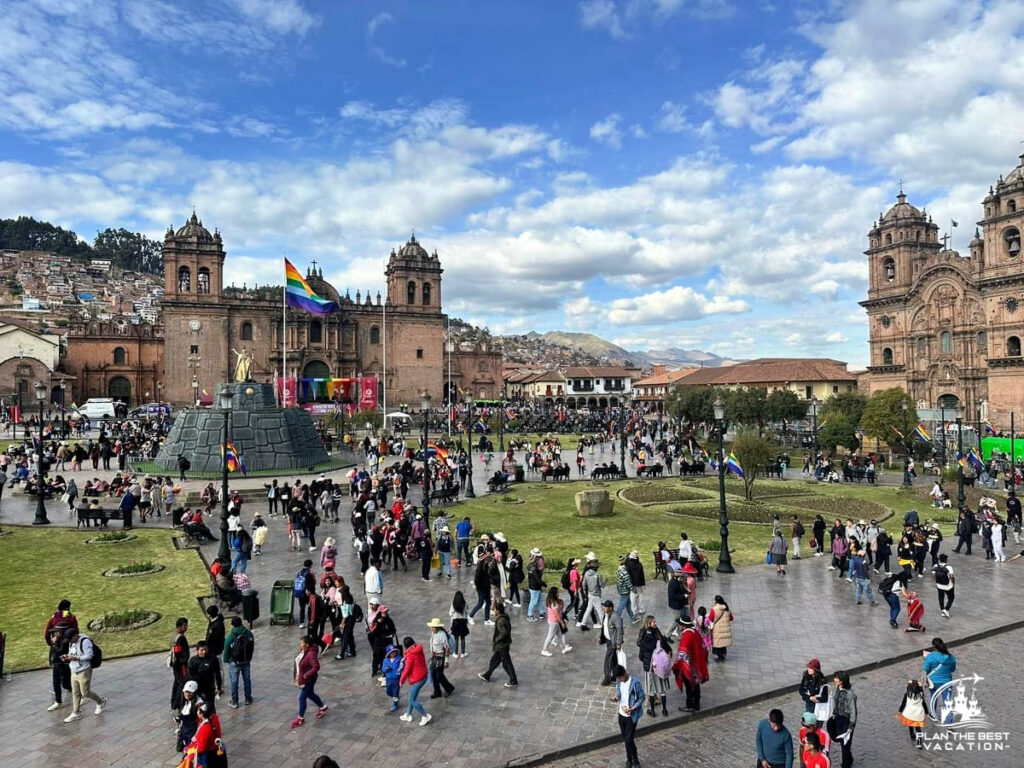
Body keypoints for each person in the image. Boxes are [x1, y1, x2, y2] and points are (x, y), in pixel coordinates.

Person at [60, 626, 106, 723]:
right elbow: (71, 653)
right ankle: (76, 713)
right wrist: (67, 657)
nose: (69, 642)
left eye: (70, 639)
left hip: (84, 670)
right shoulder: (70, 642)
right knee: (75, 692)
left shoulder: (85, 642)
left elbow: (89, 655)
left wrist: (75, 658)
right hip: (73, 670)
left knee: (85, 693)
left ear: (75, 636)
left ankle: (101, 702)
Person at [636, 615, 671, 717]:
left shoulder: (652, 632)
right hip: (657, 664)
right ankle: (664, 710)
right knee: (661, 689)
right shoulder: (649, 632)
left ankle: (653, 711)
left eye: (655, 622)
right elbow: (662, 642)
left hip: (651, 665)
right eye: (653, 622)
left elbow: (641, 646)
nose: (655, 623)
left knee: (651, 689)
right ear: (649, 623)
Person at [672, 616, 708, 712]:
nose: (678, 626)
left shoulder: (686, 636)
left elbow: (683, 654)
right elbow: (704, 647)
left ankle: (690, 705)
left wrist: (676, 666)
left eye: (679, 624)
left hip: (689, 666)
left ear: (683, 626)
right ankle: (696, 704)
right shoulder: (695, 632)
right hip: (697, 665)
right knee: (696, 685)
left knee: (689, 686)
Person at [477, 601, 517, 687]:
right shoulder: (503, 618)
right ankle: (487, 675)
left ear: (498, 611)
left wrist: (497, 639)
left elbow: (504, 632)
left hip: (502, 645)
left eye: (494, 609)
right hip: (502, 645)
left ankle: (513, 680)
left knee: (506, 663)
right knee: (494, 660)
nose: (493, 611)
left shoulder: (500, 621)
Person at [291, 634, 328, 728]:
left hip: (309, 679)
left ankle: (300, 718)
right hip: (304, 678)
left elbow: (316, 666)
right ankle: (323, 707)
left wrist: (306, 674)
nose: (300, 645)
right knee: (310, 694)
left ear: (307, 644)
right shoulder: (305, 650)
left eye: (302, 643)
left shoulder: (311, 654)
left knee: (302, 697)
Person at [612, 664, 644, 768]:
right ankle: (629, 761)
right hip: (621, 714)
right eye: (618, 678)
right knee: (626, 738)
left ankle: (635, 761)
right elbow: (619, 692)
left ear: (624, 673)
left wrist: (633, 707)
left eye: (620, 678)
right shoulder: (619, 682)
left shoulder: (635, 683)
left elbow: (641, 697)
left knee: (629, 739)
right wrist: (617, 697)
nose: (620, 680)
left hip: (631, 715)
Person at [223, 616, 254, 708]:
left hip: (234, 662)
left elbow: (227, 650)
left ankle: (235, 701)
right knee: (247, 680)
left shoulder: (230, 636)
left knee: (234, 682)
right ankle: (248, 698)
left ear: (232, 625)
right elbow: (251, 646)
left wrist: (226, 660)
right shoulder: (248, 633)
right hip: (246, 660)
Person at [399, 635, 431, 725]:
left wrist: (401, 681)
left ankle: (425, 716)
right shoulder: (417, 649)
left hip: (417, 679)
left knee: (413, 700)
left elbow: (407, 670)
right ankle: (408, 714)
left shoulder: (411, 655)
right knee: (412, 697)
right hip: (423, 675)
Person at [922, 638, 957, 720]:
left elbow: (926, 669)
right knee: (947, 703)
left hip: (933, 682)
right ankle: (949, 724)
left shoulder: (930, 656)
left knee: (933, 697)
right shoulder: (951, 657)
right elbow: (952, 670)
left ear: (933, 646)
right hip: (946, 682)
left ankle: (933, 715)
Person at [829, 671, 857, 768]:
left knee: (845, 745)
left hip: (846, 721)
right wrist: (834, 713)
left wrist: (851, 726)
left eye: (836, 678)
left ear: (842, 681)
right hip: (838, 719)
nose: (834, 679)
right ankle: (849, 758)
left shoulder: (850, 694)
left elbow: (853, 712)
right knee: (842, 742)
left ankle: (846, 764)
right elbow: (836, 702)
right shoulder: (838, 688)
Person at [186, 641, 223, 713]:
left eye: (205, 649)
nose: (204, 652)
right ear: (197, 651)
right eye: (201, 650)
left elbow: (217, 674)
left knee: (210, 707)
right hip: (197, 689)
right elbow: (190, 676)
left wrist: (219, 687)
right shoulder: (193, 661)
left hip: (209, 688)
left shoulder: (212, 659)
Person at [46, 623, 73, 712]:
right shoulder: (56, 640)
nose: (54, 634)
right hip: (56, 665)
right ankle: (58, 702)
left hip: (64, 666)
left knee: (65, 684)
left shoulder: (65, 641)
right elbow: (52, 651)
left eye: (56, 632)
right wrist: (50, 661)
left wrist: (54, 644)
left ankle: (80, 692)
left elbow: (60, 652)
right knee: (55, 683)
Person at [426, 618, 455, 699]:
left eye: (433, 627)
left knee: (439, 675)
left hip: (441, 657)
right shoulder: (433, 634)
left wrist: (446, 661)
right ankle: (437, 691)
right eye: (431, 627)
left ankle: (449, 688)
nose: (432, 629)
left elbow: (447, 648)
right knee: (433, 674)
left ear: (438, 627)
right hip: (434, 657)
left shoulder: (442, 635)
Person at [599, 599, 625, 686]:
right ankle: (614, 675)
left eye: (605, 607)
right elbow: (604, 627)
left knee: (608, 660)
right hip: (608, 640)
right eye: (604, 606)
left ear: (610, 608)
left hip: (613, 642)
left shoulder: (615, 617)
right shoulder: (606, 615)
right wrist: (601, 637)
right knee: (613, 659)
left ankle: (607, 678)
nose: (603, 608)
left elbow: (620, 630)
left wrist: (618, 643)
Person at [897, 678, 929, 748]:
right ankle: (919, 742)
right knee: (918, 729)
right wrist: (926, 712)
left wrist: (900, 712)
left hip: (909, 713)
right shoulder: (920, 695)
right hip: (917, 715)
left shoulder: (907, 695)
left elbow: (903, 704)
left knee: (910, 724)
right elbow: (924, 704)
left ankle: (911, 734)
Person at [541, 586, 571, 657]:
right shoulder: (554, 603)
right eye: (557, 592)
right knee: (550, 636)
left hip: (552, 621)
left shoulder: (550, 600)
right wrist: (562, 622)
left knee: (559, 635)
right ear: (554, 593)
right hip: (554, 622)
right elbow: (557, 615)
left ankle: (563, 648)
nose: (558, 593)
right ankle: (544, 650)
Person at [170, 617, 190, 711]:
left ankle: (174, 702)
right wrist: (184, 660)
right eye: (185, 625)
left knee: (177, 682)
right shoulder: (180, 638)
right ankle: (178, 703)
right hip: (180, 664)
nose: (186, 627)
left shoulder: (174, 635)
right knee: (182, 683)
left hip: (175, 664)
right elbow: (178, 652)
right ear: (180, 626)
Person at [932, 553, 955, 618]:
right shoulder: (949, 567)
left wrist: (936, 583)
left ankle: (942, 610)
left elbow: (934, 575)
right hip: (948, 586)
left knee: (941, 597)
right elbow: (952, 577)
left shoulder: (935, 566)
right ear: (946, 560)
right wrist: (953, 584)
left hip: (939, 585)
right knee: (951, 598)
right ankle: (946, 609)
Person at [449, 590, 470, 658]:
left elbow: (450, 613)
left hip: (455, 622)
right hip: (463, 622)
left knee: (456, 638)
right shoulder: (465, 603)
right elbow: (467, 612)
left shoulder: (453, 604)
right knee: (463, 638)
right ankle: (463, 653)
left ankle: (455, 653)